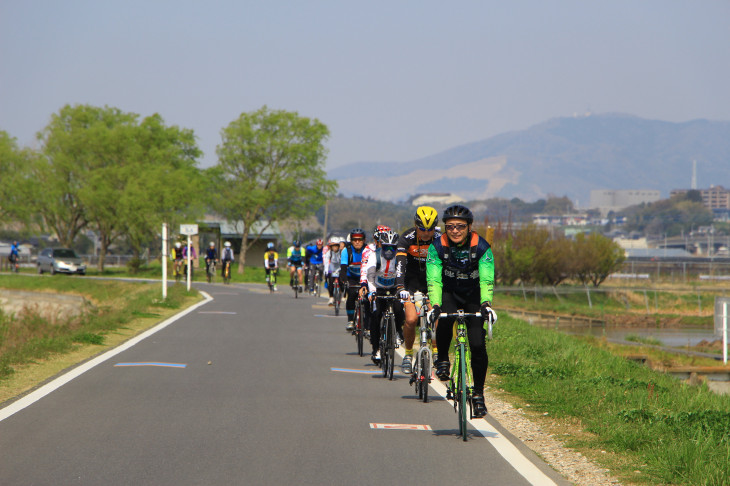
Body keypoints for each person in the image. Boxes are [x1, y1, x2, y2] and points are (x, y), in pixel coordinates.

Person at [426, 204, 496, 418]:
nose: (455, 230)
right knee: (445, 318)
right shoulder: (436, 247)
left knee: (477, 343)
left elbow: (486, 279)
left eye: (460, 226)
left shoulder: (481, 247)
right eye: (450, 227)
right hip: (449, 292)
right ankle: (442, 360)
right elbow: (434, 279)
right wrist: (435, 305)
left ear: (469, 227)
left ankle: (479, 394)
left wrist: (486, 304)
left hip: (473, 296)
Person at [395, 206, 441, 374]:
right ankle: (408, 354)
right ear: (416, 225)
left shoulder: (440, 239)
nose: (426, 233)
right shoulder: (407, 238)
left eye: (429, 229)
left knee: (436, 317)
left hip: (432, 284)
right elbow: (400, 265)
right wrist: (400, 287)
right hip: (410, 285)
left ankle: (436, 351)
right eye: (422, 229)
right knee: (411, 319)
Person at [359, 229, 405, 364]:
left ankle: (398, 332)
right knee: (375, 315)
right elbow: (370, 276)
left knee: (398, 309)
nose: (389, 251)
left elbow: (403, 275)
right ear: (381, 246)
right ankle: (376, 349)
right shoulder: (374, 256)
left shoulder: (399, 257)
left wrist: (402, 291)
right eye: (386, 247)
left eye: (393, 248)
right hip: (378, 289)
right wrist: (372, 292)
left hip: (393, 288)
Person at [340, 228, 366, 331]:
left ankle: (367, 322)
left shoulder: (367, 250)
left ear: (364, 240)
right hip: (351, 277)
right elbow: (343, 269)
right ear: (351, 241)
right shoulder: (346, 251)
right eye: (355, 239)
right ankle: (350, 320)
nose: (357, 242)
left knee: (368, 298)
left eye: (360, 239)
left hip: (364, 277)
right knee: (351, 294)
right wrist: (345, 282)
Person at [323, 237, 342, 305]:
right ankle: (331, 297)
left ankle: (340, 293)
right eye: (333, 246)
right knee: (330, 282)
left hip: (339, 268)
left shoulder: (341, 252)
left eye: (336, 246)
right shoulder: (329, 253)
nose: (335, 248)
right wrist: (326, 270)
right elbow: (326, 262)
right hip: (332, 268)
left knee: (341, 282)